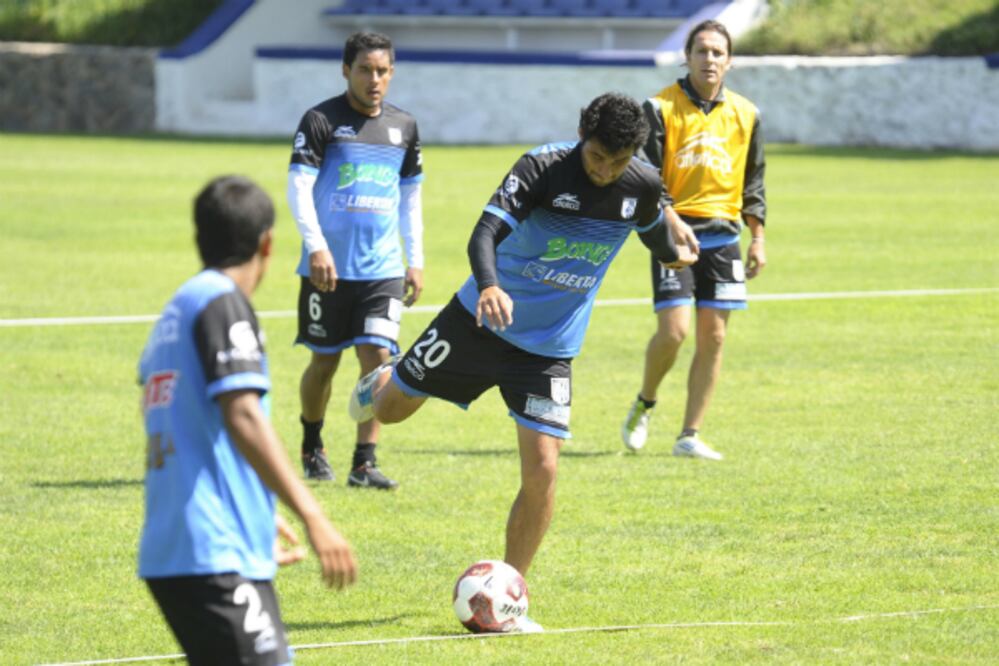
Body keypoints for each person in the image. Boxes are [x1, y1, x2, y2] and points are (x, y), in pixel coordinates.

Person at [347, 93, 698, 631]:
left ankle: (508, 597)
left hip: (548, 350)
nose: (605, 171)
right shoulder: (543, 168)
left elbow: (653, 232)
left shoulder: (642, 185)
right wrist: (489, 286)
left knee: (544, 470)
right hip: (478, 321)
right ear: (584, 136)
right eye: (598, 157)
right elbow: (484, 233)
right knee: (390, 411)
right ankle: (390, 373)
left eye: (618, 162)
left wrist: (676, 249)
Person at [138, 175, 357, 665]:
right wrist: (315, 517)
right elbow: (242, 415)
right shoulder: (224, 305)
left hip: (183, 545)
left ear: (200, 238)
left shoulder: (178, 309)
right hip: (210, 549)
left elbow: (173, 414)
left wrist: (252, 507)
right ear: (267, 244)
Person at [621, 19, 768, 460]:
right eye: (701, 51)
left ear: (729, 61)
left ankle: (689, 434)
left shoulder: (747, 114)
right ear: (687, 57)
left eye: (717, 52)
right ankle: (645, 402)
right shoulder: (660, 107)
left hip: (725, 236)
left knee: (715, 336)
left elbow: (753, 181)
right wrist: (670, 218)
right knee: (674, 331)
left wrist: (757, 237)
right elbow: (647, 176)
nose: (709, 59)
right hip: (673, 232)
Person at [287, 31, 424, 488]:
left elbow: (411, 199)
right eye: (365, 69)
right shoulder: (321, 120)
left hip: (382, 270)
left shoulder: (404, 127)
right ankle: (312, 444)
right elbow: (299, 187)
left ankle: (364, 462)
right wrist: (316, 246)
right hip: (327, 270)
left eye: (383, 70)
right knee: (324, 363)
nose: (374, 79)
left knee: (379, 360)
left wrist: (415, 258)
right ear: (346, 70)